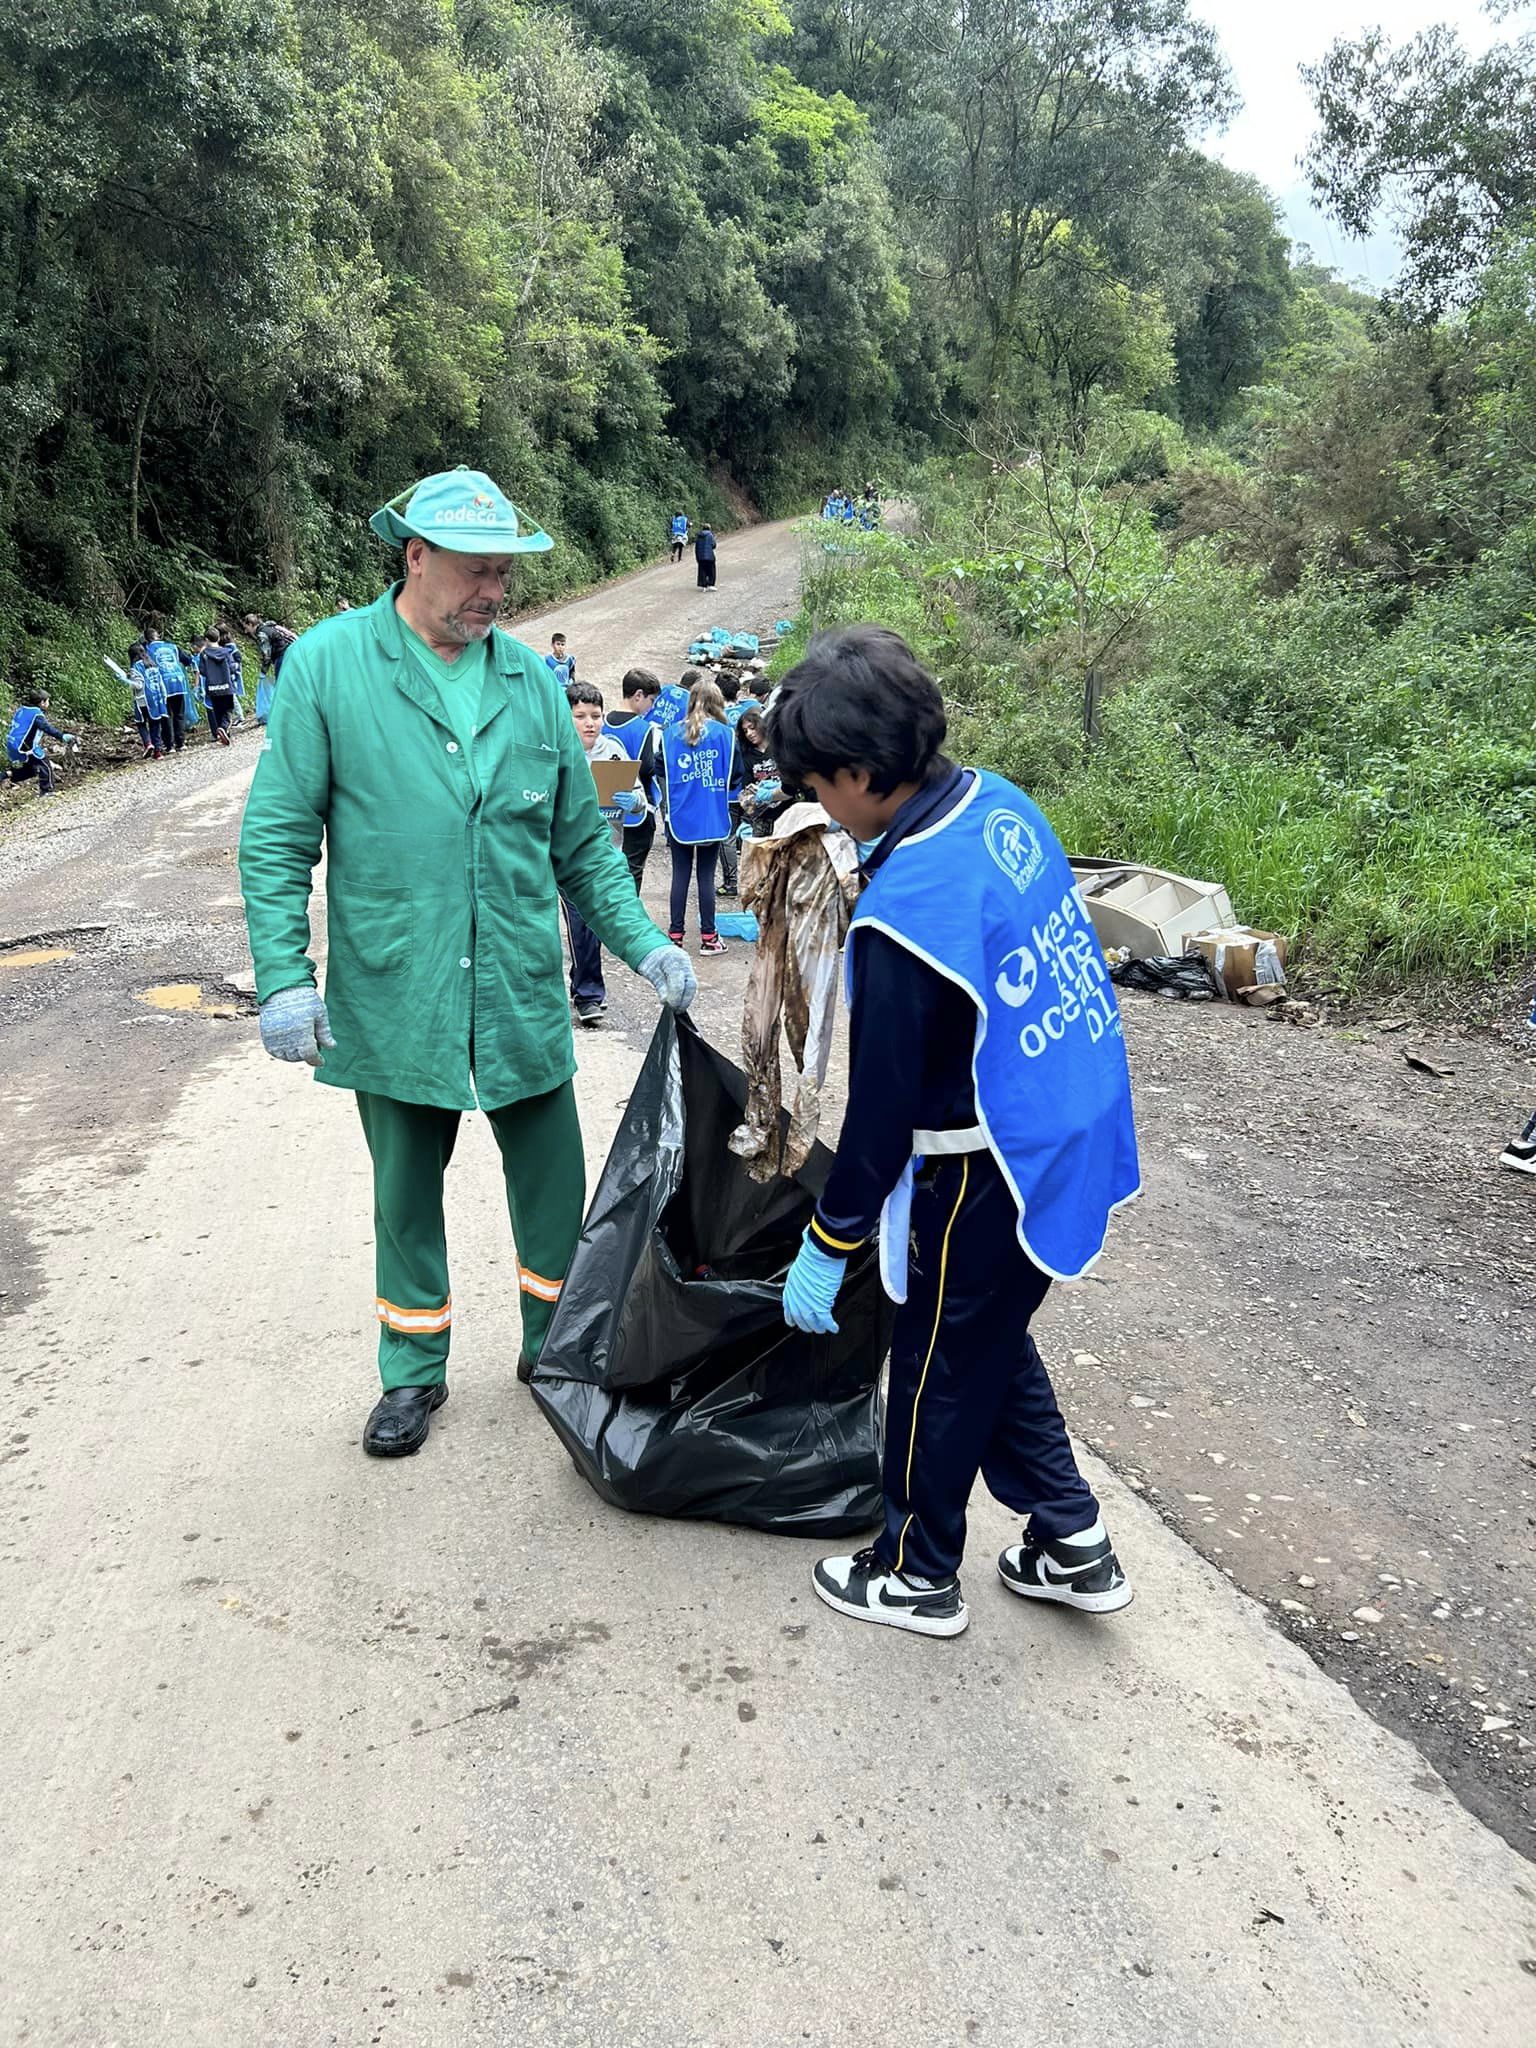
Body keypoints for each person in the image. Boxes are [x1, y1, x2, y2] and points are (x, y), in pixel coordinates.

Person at [239, 467, 697, 1459]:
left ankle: (556, 1346)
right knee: (405, 1190)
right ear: (416, 556)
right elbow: (278, 834)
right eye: (478, 569)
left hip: (520, 987)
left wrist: (647, 943)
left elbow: (582, 844)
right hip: (395, 985)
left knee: (552, 1182)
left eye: (505, 571)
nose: (496, 589)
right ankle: (411, 1373)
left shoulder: (530, 685)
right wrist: (282, 972)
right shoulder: (329, 666)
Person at [770, 626, 1141, 1640]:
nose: (815, 804)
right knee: (979, 1339)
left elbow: (883, 1112)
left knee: (933, 1367)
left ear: (860, 772)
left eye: (816, 784)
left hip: (986, 1168)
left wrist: (831, 1235)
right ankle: (1071, 1537)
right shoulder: (997, 802)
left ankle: (914, 1569)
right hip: (1071, 1121)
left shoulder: (904, 913)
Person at [562, 683, 644, 1025]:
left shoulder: (614, 751)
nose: (589, 723)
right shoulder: (558, 753)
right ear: (566, 718)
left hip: (604, 854)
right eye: (580, 716)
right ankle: (589, 994)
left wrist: (634, 800)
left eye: (595, 716)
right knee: (581, 924)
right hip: (567, 857)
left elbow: (639, 796)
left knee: (594, 924)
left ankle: (582, 983)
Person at [642, 674, 733, 954]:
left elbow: (658, 769)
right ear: (717, 703)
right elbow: (736, 774)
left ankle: (675, 936)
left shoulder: (670, 735)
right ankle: (709, 938)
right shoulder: (726, 735)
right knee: (706, 877)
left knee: (680, 875)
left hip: (679, 816)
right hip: (712, 815)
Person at [603, 669, 662, 891]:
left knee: (608, 872)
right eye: (651, 700)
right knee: (631, 873)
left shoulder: (602, 723)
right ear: (638, 695)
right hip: (636, 812)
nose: (652, 707)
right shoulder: (643, 729)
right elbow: (647, 769)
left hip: (606, 810)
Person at [4, 694, 72, 798]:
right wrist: (62, 736)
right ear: (42, 703)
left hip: (11, 743)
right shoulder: (36, 715)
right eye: (48, 701)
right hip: (24, 746)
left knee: (31, 770)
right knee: (45, 764)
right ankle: (47, 791)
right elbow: (47, 728)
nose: (49, 704)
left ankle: (4, 775)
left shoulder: (22, 709)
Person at [145, 626, 191, 752]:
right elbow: (187, 660)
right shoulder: (173, 646)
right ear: (158, 636)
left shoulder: (147, 649)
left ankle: (169, 745)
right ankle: (181, 743)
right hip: (179, 682)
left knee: (166, 715)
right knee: (179, 714)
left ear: (146, 639)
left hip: (162, 685)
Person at [128, 644, 171, 756]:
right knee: (155, 724)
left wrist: (127, 681)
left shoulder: (136, 667)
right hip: (156, 699)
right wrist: (164, 696)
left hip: (143, 700)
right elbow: (160, 682)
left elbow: (138, 685)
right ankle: (158, 751)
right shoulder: (152, 664)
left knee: (140, 723)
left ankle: (148, 743)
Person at [198, 628, 238, 746]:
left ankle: (222, 732)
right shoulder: (226, 652)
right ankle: (224, 729)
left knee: (218, 711)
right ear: (219, 638)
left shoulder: (204, 654)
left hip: (212, 688)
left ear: (206, 640)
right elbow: (231, 667)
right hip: (226, 686)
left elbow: (202, 671)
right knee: (227, 711)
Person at [694, 524, 717, 591]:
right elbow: (714, 545)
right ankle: (710, 584)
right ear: (709, 528)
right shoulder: (710, 535)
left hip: (700, 557)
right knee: (711, 571)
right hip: (709, 557)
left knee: (702, 571)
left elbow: (696, 548)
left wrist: (697, 557)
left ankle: (704, 586)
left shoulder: (698, 536)